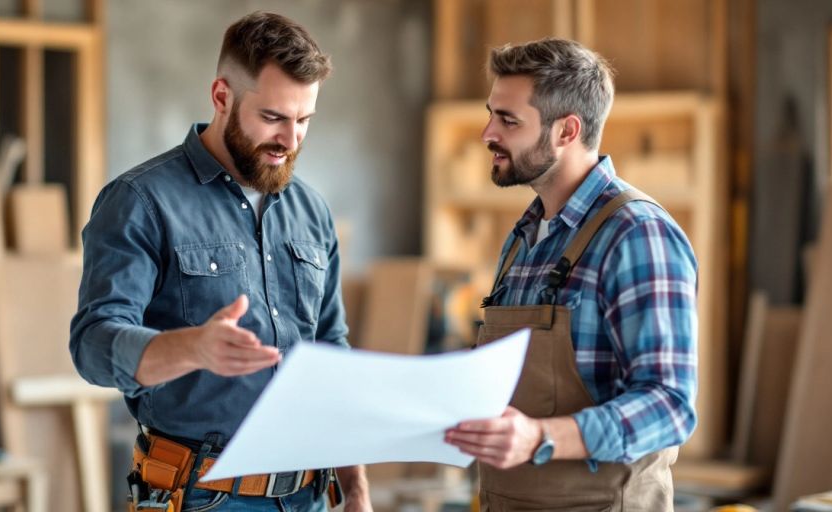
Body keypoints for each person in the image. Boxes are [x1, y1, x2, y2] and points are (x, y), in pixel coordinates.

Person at [70, 11, 370, 512]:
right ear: (222, 97)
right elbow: (93, 344)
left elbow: (331, 351)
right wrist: (193, 349)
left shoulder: (311, 210)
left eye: (304, 121)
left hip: (310, 496)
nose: (291, 140)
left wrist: (355, 484)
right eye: (273, 117)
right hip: (199, 496)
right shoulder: (140, 201)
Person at [444, 38, 698, 510]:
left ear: (567, 131)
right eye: (490, 114)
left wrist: (540, 436)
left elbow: (670, 406)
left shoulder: (637, 234)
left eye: (508, 120)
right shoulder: (524, 234)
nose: (486, 134)